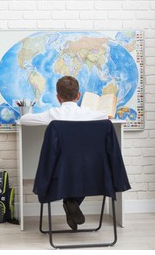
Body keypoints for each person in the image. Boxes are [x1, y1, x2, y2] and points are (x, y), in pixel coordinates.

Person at [20, 75, 111, 230]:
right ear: (78, 95)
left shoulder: (53, 114)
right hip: (90, 169)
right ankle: (72, 202)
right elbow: (105, 116)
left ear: (58, 97)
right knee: (80, 171)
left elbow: (24, 120)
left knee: (68, 169)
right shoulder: (89, 113)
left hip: (60, 169)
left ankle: (70, 202)